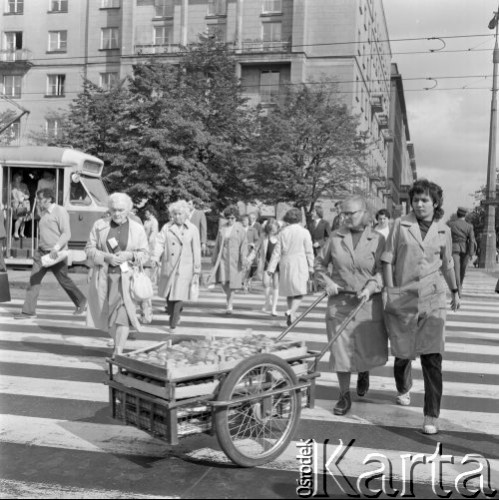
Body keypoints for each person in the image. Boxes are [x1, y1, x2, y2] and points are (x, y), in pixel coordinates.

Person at [381, 179, 460, 435]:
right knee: (403, 353)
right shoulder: (400, 225)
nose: (419, 203)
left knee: (432, 357)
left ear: (435, 203)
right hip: (404, 297)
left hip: (433, 299)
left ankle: (431, 414)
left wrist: (455, 291)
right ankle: (403, 388)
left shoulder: (444, 230)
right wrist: (391, 290)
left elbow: (447, 263)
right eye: (416, 199)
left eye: (425, 199)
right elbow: (387, 259)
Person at [314, 195, 388, 416]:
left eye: (350, 213)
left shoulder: (377, 239)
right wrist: (326, 281)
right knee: (340, 352)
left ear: (364, 213)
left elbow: (382, 270)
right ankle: (344, 395)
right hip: (340, 304)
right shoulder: (335, 238)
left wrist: (371, 286)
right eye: (343, 213)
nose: (345, 217)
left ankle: (363, 371)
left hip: (367, 302)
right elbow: (319, 264)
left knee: (365, 349)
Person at [85, 192, 149, 358]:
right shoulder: (99, 225)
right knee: (108, 318)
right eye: (113, 210)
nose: (117, 213)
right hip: (105, 278)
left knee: (123, 316)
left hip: (126, 279)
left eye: (121, 210)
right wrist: (106, 257)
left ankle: (118, 353)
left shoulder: (137, 228)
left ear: (128, 210)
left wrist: (129, 255)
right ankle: (117, 342)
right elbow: (89, 250)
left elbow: (144, 254)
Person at [14, 188, 87, 320]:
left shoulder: (60, 211)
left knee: (64, 280)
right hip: (41, 253)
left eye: (40, 199)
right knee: (33, 281)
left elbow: (66, 233)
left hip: (56, 254)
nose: (38, 201)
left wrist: (56, 247)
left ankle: (81, 301)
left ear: (48, 199)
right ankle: (28, 312)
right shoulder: (43, 212)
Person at [152, 200, 201, 333]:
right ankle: (175, 312)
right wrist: (156, 257)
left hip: (184, 266)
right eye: (175, 214)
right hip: (169, 264)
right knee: (168, 295)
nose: (177, 216)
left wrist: (197, 269)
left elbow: (196, 249)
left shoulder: (192, 229)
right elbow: (159, 243)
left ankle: (172, 324)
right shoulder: (167, 227)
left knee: (179, 294)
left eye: (180, 214)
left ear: (185, 214)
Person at [267, 208, 314, 326]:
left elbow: (276, 252)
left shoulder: (283, 232)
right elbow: (309, 250)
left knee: (289, 291)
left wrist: (271, 268)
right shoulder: (304, 232)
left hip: (286, 262)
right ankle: (291, 311)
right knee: (300, 291)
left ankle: (291, 315)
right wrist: (311, 265)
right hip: (299, 262)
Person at [211, 205, 248, 314]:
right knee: (223, 281)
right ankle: (229, 298)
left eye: (233, 218)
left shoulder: (240, 229)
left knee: (232, 283)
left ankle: (229, 303)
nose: (230, 220)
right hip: (223, 257)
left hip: (235, 259)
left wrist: (243, 258)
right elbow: (217, 243)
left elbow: (244, 244)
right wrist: (214, 257)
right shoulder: (222, 228)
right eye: (228, 218)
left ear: (236, 218)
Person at [447, 207, 475, 296]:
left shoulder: (450, 225)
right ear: (465, 215)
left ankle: (458, 287)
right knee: (462, 270)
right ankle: (460, 286)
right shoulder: (469, 226)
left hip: (454, 248)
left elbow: (447, 238)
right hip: (465, 249)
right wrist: (471, 253)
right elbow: (472, 240)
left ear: (457, 214)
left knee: (456, 269)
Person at [258, 218, 280, 316]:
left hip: (278, 264)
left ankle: (274, 308)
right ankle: (267, 301)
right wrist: (249, 259)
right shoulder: (264, 237)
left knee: (276, 285)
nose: (272, 230)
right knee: (265, 283)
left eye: (274, 228)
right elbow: (256, 248)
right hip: (266, 262)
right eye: (270, 229)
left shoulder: (280, 237)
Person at [141, 206, 159, 323]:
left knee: (147, 285)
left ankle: (148, 312)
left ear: (151, 212)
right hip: (144, 250)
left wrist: (146, 246)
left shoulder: (154, 222)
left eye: (147, 213)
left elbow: (153, 236)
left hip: (149, 250)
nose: (146, 215)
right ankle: (145, 312)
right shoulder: (146, 221)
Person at [241, 214, 260, 292]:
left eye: (245, 220)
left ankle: (247, 282)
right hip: (242, 252)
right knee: (243, 268)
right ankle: (244, 282)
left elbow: (257, 240)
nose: (244, 222)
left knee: (248, 268)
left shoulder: (253, 230)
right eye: (243, 220)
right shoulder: (239, 230)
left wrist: (254, 245)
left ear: (248, 221)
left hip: (250, 252)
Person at [11, 173, 30, 239]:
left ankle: (21, 233)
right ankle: (16, 233)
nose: (19, 179)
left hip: (23, 204)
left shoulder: (24, 185)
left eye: (20, 178)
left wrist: (24, 197)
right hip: (16, 204)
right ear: (15, 178)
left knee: (23, 219)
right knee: (20, 219)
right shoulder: (11, 185)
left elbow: (28, 194)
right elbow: (8, 195)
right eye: (18, 178)